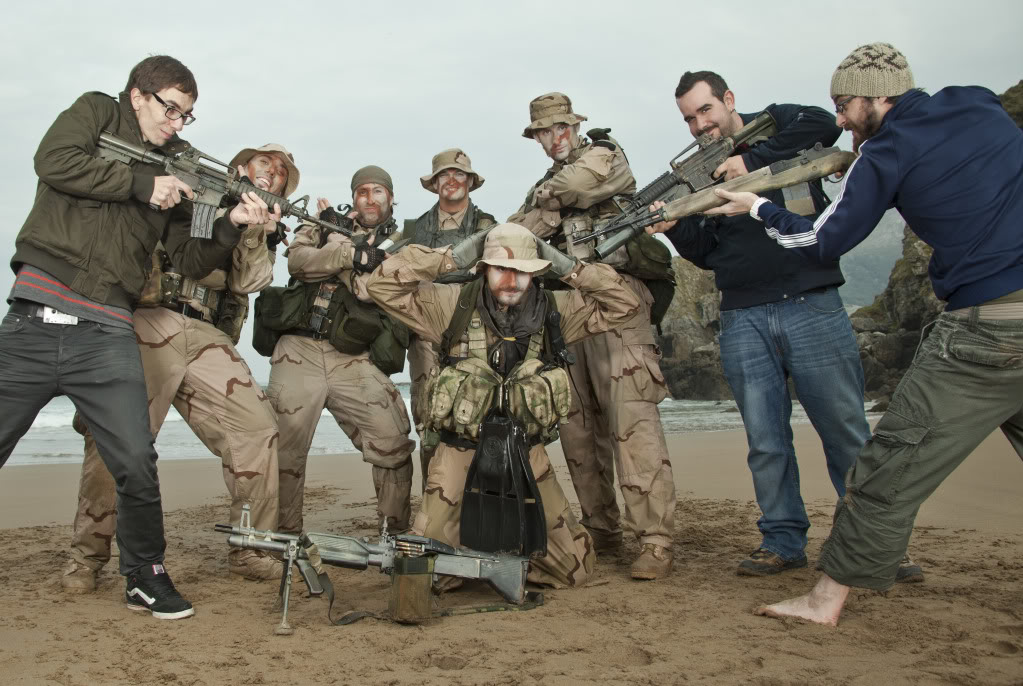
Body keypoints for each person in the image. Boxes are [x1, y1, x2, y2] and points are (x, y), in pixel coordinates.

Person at [697, 42, 1023, 625]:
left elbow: (821, 240)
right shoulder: (978, 103)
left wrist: (756, 207)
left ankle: (824, 600)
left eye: (846, 106)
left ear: (879, 97)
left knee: (885, 465)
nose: (841, 119)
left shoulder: (886, 151)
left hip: (987, 327)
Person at [0, 56, 275, 619]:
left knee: (134, 460)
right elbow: (53, 161)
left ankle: (145, 576)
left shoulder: (180, 168)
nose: (177, 122)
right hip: (35, 320)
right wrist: (140, 183)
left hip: (105, 330)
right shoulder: (95, 112)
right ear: (137, 96)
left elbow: (192, 254)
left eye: (187, 115)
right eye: (170, 108)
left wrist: (233, 224)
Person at [647, 71, 885, 578]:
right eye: (689, 118)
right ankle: (781, 540)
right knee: (765, 441)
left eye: (705, 110)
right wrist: (675, 229)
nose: (699, 124)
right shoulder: (699, 172)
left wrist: (750, 160)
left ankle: (876, 544)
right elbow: (707, 254)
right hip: (742, 314)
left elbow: (826, 125)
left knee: (846, 432)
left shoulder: (777, 127)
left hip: (813, 302)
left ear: (729, 100)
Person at [60, 144, 300, 593]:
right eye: (264, 163)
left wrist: (255, 232)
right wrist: (231, 216)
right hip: (154, 319)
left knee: (256, 428)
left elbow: (249, 282)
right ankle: (86, 557)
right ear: (240, 169)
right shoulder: (201, 194)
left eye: (282, 172)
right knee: (118, 438)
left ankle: (249, 548)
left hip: (207, 334)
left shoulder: (262, 225)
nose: (274, 173)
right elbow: (194, 252)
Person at [365, 223, 644, 587]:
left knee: (574, 570)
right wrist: (450, 258)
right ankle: (467, 554)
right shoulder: (451, 305)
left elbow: (626, 303)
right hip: (459, 452)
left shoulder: (555, 311)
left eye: (523, 270)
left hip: (526, 454)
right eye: (500, 268)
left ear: (537, 272)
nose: (511, 280)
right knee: (422, 577)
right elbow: (380, 285)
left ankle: (499, 556)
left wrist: (570, 268)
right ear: (482, 267)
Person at [509, 93, 678, 580]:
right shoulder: (543, 183)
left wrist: (549, 206)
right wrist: (547, 207)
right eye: (544, 131)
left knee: (632, 422)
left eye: (561, 127)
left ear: (575, 126)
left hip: (617, 299)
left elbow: (582, 186)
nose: (554, 137)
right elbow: (519, 234)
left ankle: (655, 539)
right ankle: (602, 527)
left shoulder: (605, 153)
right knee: (578, 428)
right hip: (564, 309)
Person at [267, 165, 415, 535]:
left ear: (391, 197)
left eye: (377, 191)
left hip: (354, 358)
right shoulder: (321, 224)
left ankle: (393, 535)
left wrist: (336, 254)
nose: (369, 198)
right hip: (298, 349)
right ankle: (285, 538)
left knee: (393, 442)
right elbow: (299, 263)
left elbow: (377, 287)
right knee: (284, 449)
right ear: (353, 197)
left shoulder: (405, 240)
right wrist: (349, 255)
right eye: (362, 191)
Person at [395, 149, 497, 487]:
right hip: (427, 335)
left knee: (482, 413)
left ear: (469, 181)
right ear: (435, 183)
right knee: (429, 418)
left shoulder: (489, 227)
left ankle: (481, 502)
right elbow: (385, 261)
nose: (451, 181)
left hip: (479, 332)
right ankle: (433, 501)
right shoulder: (413, 229)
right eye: (444, 175)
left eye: (458, 175)